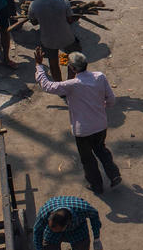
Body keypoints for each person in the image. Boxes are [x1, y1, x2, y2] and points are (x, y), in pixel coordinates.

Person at [34, 49, 121, 194]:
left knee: (88, 160)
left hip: (83, 132)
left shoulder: (71, 85)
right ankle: (114, 174)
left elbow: (47, 85)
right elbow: (111, 100)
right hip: (100, 125)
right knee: (101, 150)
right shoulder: (99, 77)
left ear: (73, 69)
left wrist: (39, 65)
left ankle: (97, 185)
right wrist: (100, 107)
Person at [27, 0, 76, 80]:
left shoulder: (33, 5)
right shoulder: (63, 2)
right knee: (72, 60)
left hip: (48, 39)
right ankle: (70, 83)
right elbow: (70, 20)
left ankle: (59, 87)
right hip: (66, 36)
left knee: (53, 63)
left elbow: (34, 22)